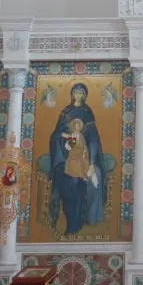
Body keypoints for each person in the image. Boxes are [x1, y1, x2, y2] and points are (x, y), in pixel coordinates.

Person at [49, 83, 106, 234]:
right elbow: (58, 135)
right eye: (76, 92)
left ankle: (90, 215)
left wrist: (92, 163)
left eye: (81, 93)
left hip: (85, 158)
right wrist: (64, 142)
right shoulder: (66, 112)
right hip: (67, 159)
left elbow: (93, 139)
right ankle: (68, 218)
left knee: (96, 177)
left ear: (85, 95)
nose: (78, 95)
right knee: (69, 181)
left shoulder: (87, 112)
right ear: (72, 94)